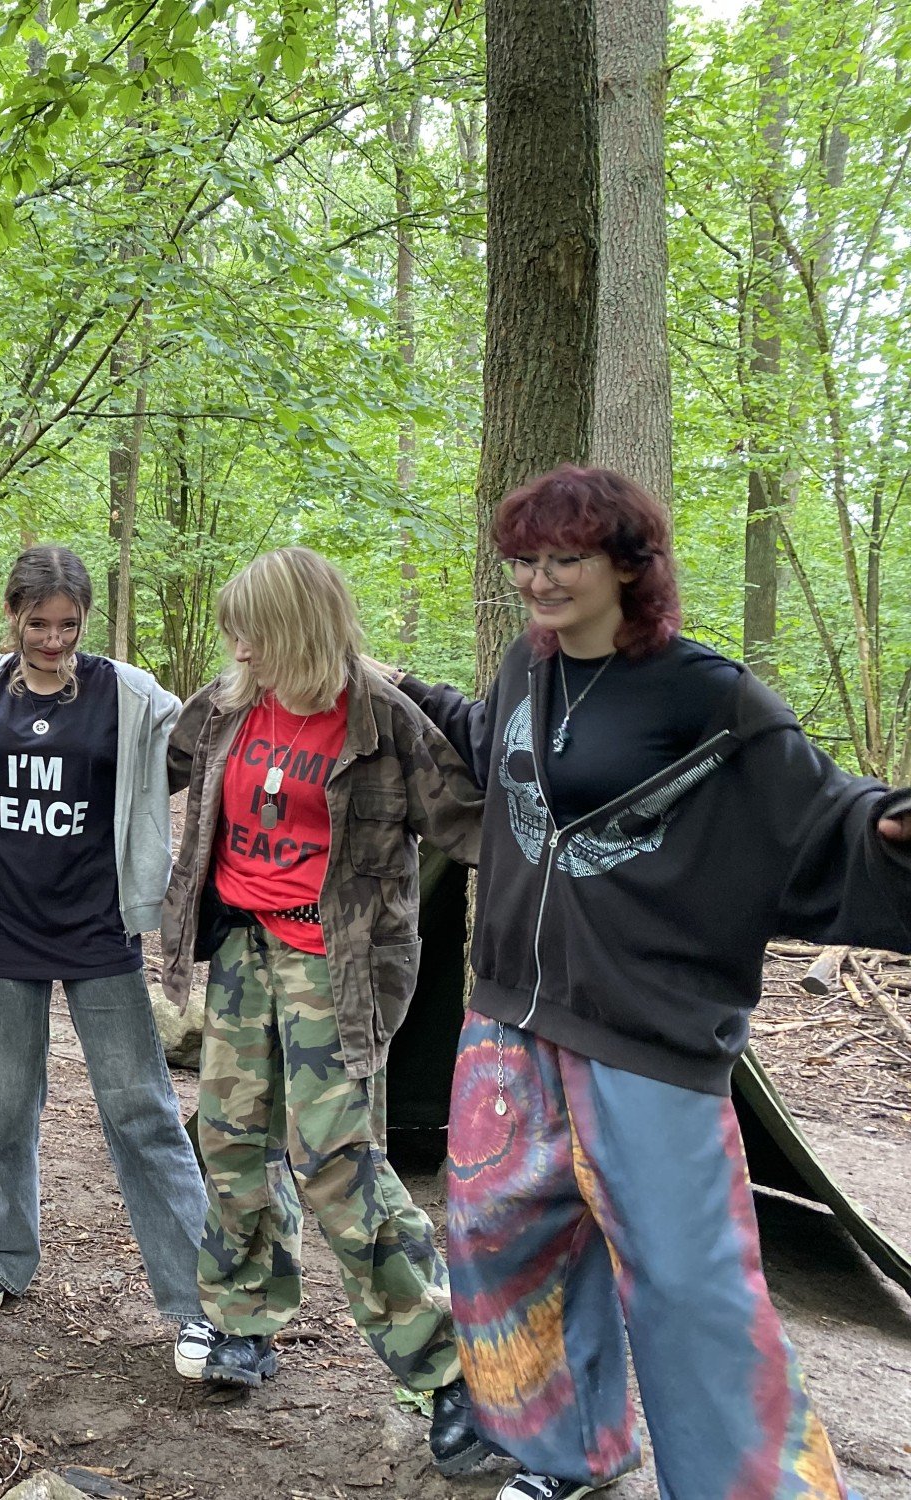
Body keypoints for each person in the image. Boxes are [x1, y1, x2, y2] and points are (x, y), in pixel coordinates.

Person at [387, 466, 911, 1500]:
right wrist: (401, 684)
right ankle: (568, 1452)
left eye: (565, 559)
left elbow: (816, 812)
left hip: (644, 1030)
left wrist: (884, 827)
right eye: (524, 560)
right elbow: (497, 751)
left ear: (628, 564)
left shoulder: (705, 693)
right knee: (498, 1239)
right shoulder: (528, 666)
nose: (538, 580)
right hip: (509, 1013)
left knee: (685, 1279)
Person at [156, 547, 487, 1474]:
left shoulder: (383, 721)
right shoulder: (228, 704)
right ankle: (242, 1320)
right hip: (241, 951)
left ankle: (445, 1372)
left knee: (339, 1164)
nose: (236, 648)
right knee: (230, 1142)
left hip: (334, 967)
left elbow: (473, 827)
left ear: (298, 628)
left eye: (252, 632)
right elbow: (142, 764)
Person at [0, 545, 219, 1376]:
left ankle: (197, 1301)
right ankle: (2, 1256)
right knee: (5, 1105)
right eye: (37, 623)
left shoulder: (128, 693)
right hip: (5, 930)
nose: (53, 639)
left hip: (100, 931)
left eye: (68, 625)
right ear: (12, 614)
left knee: (141, 1111)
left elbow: (209, 727)